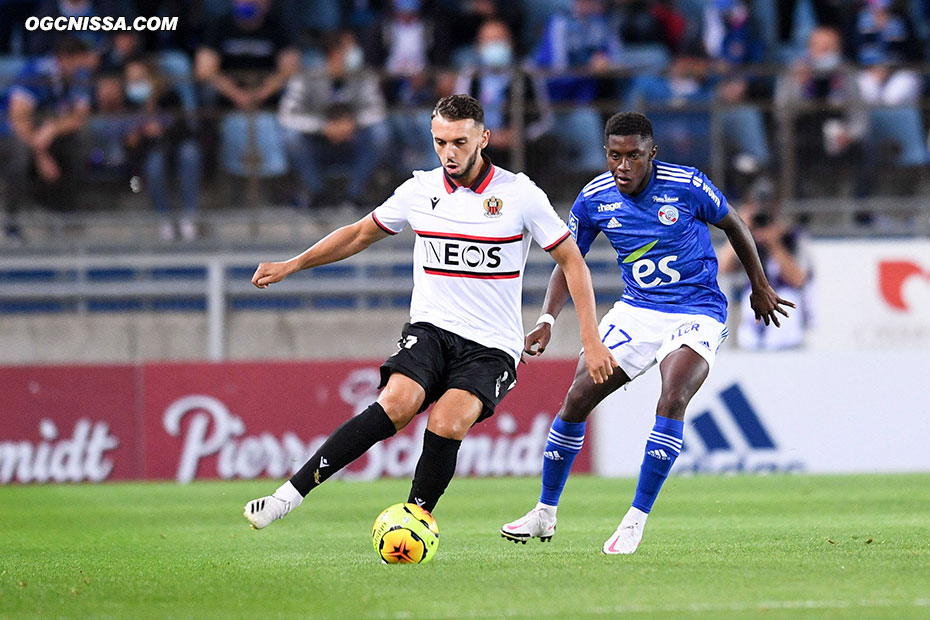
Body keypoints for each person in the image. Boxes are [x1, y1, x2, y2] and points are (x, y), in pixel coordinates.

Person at [243, 94, 616, 530]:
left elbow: (572, 261)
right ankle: (286, 497)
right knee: (397, 405)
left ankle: (413, 523)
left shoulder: (518, 194)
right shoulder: (419, 190)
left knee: (447, 420)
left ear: (483, 138)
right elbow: (359, 234)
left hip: (492, 345)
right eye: (440, 142)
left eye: (459, 141)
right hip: (431, 329)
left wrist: (589, 338)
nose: (449, 153)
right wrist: (294, 263)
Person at [500, 112, 793, 554]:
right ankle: (544, 513)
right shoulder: (594, 199)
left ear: (651, 154)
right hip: (637, 312)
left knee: (672, 396)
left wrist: (760, 285)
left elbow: (733, 223)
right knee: (577, 398)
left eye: (633, 156)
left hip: (697, 312)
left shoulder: (688, 185)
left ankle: (635, 520)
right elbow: (569, 260)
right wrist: (546, 319)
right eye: (615, 156)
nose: (623, 166)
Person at [278, 29, 390, 209]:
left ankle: (354, 194)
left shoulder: (364, 74)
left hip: (352, 141)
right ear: (335, 52)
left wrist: (351, 124)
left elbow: (377, 110)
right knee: (292, 137)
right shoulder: (307, 76)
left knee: (380, 133)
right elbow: (287, 114)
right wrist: (323, 127)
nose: (356, 52)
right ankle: (317, 194)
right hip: (318, 144)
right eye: (350, 48)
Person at [718, 182, 813, 350]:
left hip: (785, 313)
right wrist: (737, 229)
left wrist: (774, 243)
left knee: (785, 299)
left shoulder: (791, 237)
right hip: (751, 311)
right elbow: (723, 268)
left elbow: (798, 279)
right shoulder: (744, 238)